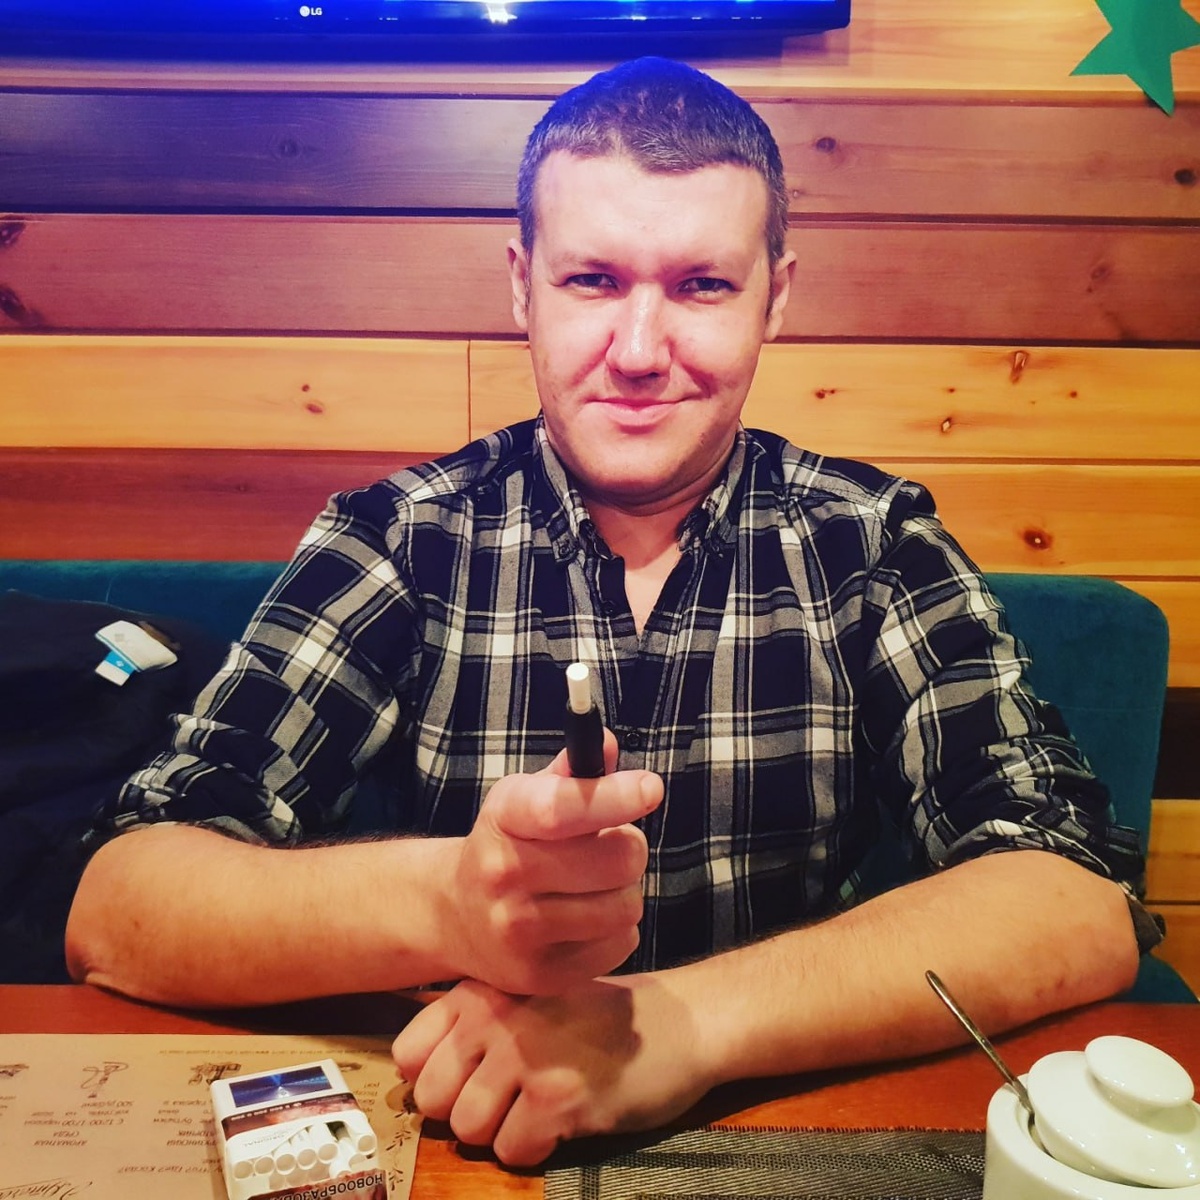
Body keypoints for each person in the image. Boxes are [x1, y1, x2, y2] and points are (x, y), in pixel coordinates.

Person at [67, 57, 1152, 1168]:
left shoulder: (872, 543)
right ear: (522, 285)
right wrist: (449, 901)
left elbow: (1075, 893)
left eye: (702, 286)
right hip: (464, 1139)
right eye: (591, 280)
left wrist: (682, 1026)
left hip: (787, 1134)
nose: (638, 353)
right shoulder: (400, 537)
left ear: (775, 297)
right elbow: (122, 901)